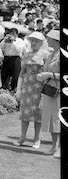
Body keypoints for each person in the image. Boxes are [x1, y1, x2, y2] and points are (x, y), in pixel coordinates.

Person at [14, 31, 49, 149]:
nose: (33, 43)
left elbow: (48, 72)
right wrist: (18, 89)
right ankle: (22, 137)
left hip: (39, 87)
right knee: (25, 113)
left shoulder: (46, 54)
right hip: (27, 87)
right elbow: (21, 72)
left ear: (41, 42)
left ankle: (37, 139)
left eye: (36, 41)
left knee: (38, 114)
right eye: (32, 40)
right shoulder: (26, 55)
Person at [36, 29, 60, 157]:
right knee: (50, 118)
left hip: (59, 90)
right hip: (49, 88)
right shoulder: (51, 54)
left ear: (56, 40)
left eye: (49, 38)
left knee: (58, 117)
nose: (47, 40)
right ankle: (54, 145)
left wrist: (49, 74)